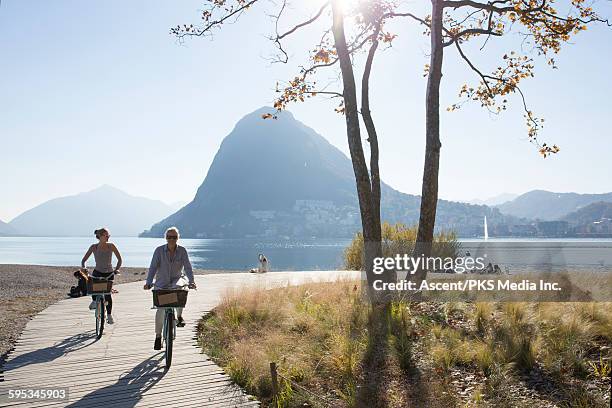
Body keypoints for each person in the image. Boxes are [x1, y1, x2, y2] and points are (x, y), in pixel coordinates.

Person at [143, 226, 197, 350]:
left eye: (174, 237)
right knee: (160, 309)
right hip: (161, 282)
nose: (171, 239)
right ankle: (158, 337)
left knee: (181, 291)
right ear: (165, 238)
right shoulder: (159, 251)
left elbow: (188, 268)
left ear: (178, 238)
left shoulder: (182, 251)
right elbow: (153, 268)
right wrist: (148, 282)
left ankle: (179, 316)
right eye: (169, 237)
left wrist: (192, 281)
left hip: (176, 280)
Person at [80, 227, 122, 324]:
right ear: (100, 236)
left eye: (109, 235)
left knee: (107, 295)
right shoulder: (93, 247)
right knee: (91, 285)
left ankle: (109, 315)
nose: (108, 237)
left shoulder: (111, 246)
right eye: (106, 235)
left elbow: (119, 259)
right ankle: (95, 301)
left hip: (109, 273)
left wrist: (117, 269)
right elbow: (84, 260)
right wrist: (84, 267)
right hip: (97, 272)